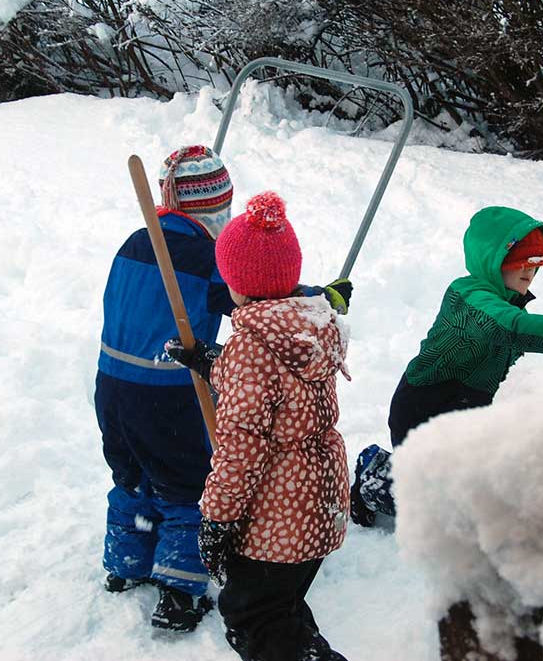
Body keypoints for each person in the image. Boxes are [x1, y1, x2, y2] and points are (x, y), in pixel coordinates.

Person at [95, 146, 353, 633]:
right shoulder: (203, 256)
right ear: (215, 210)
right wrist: (323, 298)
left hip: (111, 384)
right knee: (186, 483)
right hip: (166, 392)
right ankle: (178, 590)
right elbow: (260, 294)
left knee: (131, 475)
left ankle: (124, 564)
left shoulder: (134, 241)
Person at [350, 205, 543, 527]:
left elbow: (525, 336)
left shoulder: (507, 302)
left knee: (486, 499)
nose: (528, 273)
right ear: (493, 263)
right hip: (425, 411)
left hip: (470, 412)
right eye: (519, 264)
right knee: (446, 514)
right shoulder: (468, 298)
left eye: (535, 265)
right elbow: (509, 327)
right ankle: (375, 474)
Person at [166, 191, 352, 661]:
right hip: (320, 501)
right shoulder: (308, 325)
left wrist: (217, 519)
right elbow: (278, 391)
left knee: (255, 619)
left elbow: (240, 449)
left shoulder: (253, 346)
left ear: (238, 283)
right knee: (281, 607)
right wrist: (214, 363)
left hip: (279, 515)